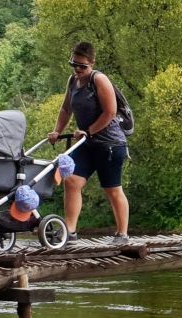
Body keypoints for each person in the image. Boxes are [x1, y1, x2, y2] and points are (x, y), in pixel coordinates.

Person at [49, 42, 136, 244]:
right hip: (87, 144)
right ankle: (69, 231)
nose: (77, 69)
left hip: (110, 145)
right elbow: (65, 110)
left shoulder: (99, 80)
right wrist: (57, 131)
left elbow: (110, 112)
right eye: (74, 64)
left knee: (112, 189)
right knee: (71, 180)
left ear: (92, 63)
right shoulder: (73, 81)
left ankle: (122, 233)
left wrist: (88, 131)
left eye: (82, 66)